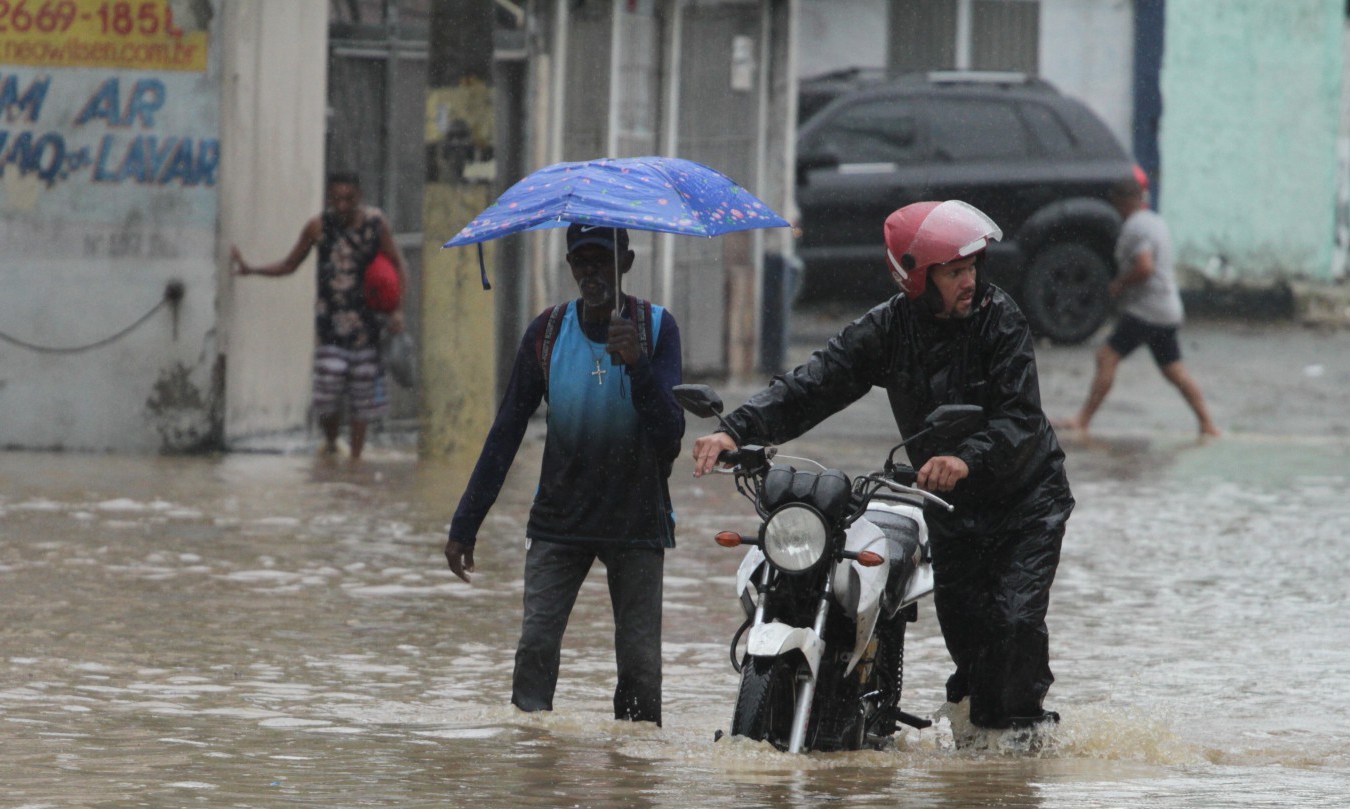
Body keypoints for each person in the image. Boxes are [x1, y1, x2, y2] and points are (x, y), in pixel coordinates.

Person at [691, 200, 1071, 735]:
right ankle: (972, 755)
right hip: (948, 507)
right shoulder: (887, 328)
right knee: (970, 645)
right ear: (916, 278)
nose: (970, 281)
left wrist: (964, 458)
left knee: (1013, 625)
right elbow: (814, 384)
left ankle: (1023, 748)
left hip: (1026, 502)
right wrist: (737, 429)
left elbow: (1020, 420)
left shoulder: (999, 318)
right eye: (955, 271)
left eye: (971, 268)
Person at [443, 224, 684, 724]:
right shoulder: (547, 333)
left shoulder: (658, 328)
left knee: (641, 672)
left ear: (627, 262)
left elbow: (671, 437)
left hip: (637, 523)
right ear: (570, 265)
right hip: (559, 521)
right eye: (582, 261)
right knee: (534, 652)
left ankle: (634, 780)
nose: (591, 272)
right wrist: (466, 524)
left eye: (602, 260)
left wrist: (637, 365)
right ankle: (534, 772)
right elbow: (507, 430)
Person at [230, 172, 406, 459]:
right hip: (330, 327)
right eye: (336, 199)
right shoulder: (318, 227)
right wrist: (252, 269)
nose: (342, 205)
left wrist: (398, 310)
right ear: (328, 199)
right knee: (328, 393)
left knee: (363, 396)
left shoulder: (376, 224)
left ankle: (356, 458)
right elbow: (290, 264)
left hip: (369, 326)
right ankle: (332, 443)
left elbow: (399, 264)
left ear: (358, 197)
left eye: (348, 199)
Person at [1057, 176, 1218, 439]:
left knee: (1106, 357)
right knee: (1174, 371)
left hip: (1148, 309)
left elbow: (1144, 266)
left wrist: (1119, 284)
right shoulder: (1155, 221)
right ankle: (1208, 424)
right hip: (1167, 308)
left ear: (1120, 202)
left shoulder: (1136, 227)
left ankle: (1082, 420)